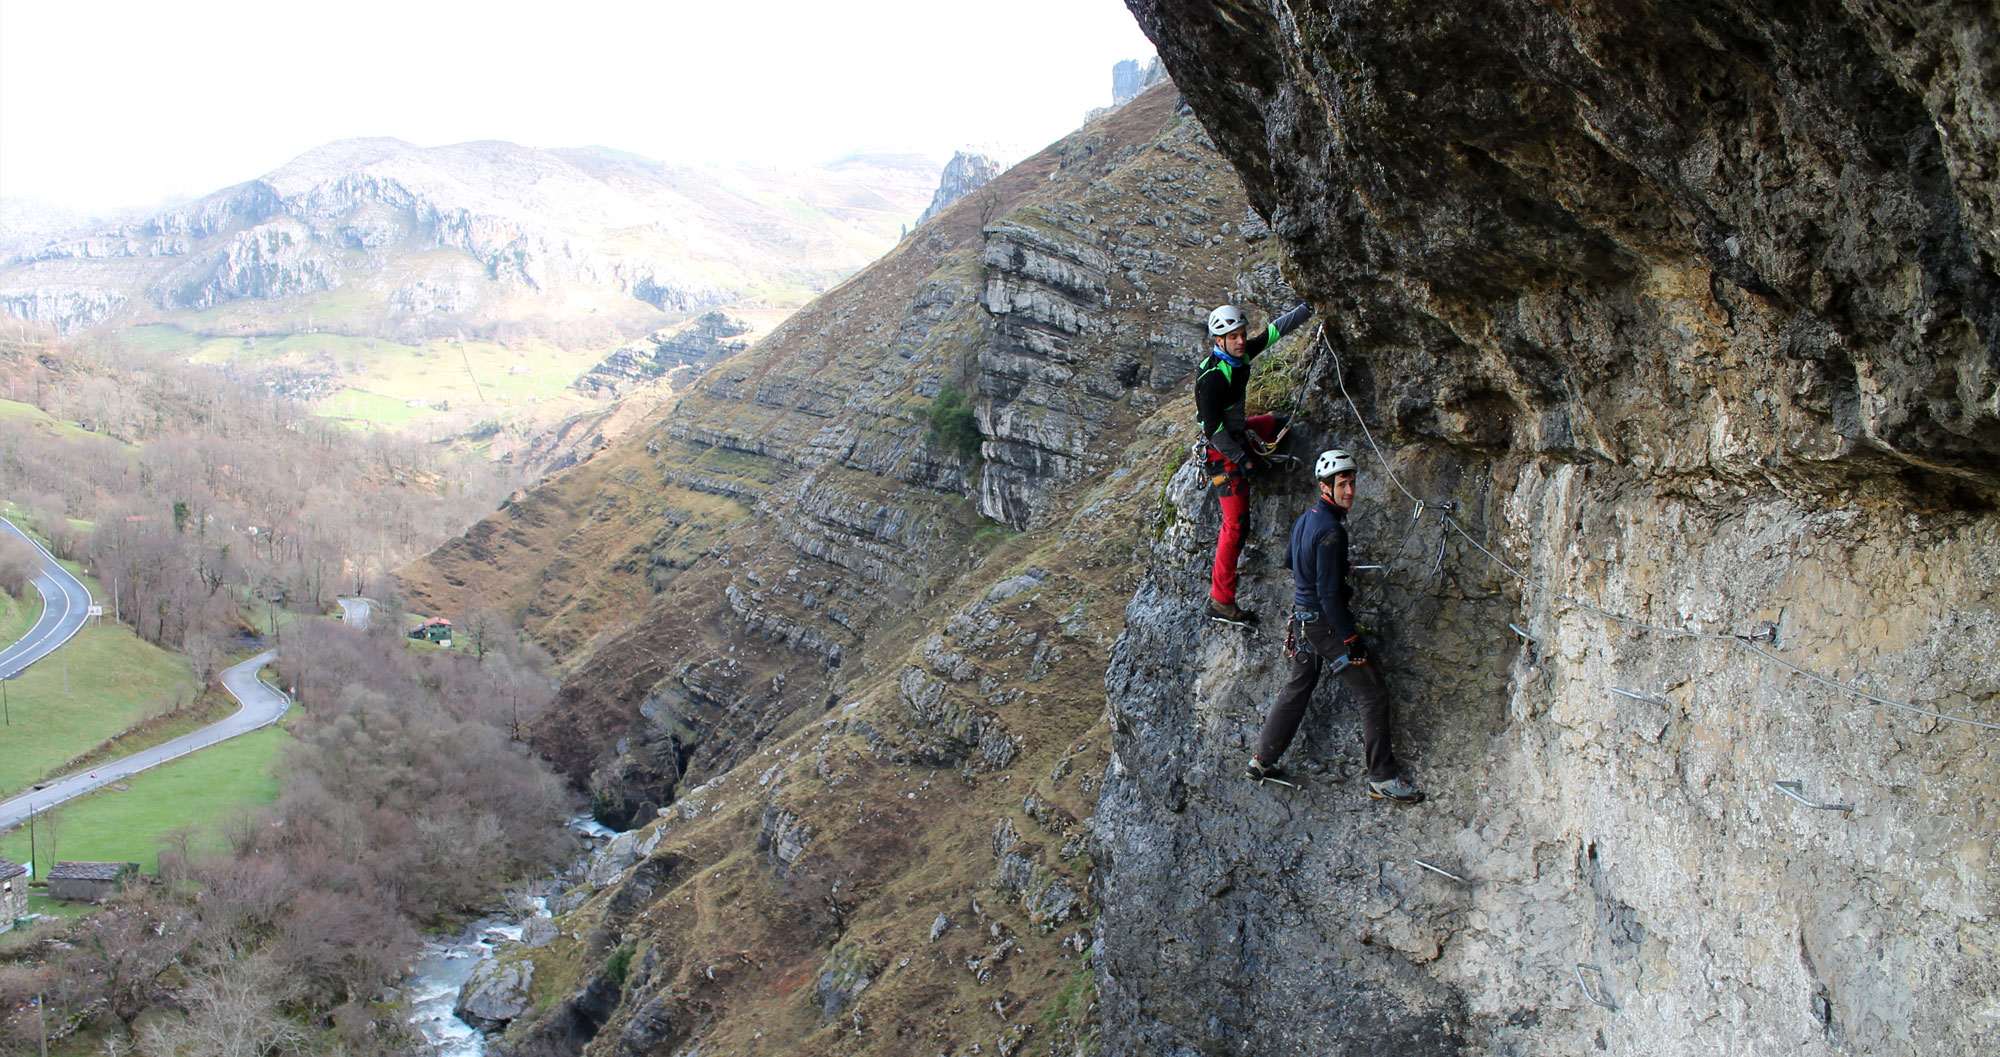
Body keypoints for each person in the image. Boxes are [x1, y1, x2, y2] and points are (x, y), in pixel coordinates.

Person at [1248, 449, 1423, 803]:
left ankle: (1261, 761)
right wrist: (1352, 641)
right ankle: (1382, 778)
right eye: (1343, 484)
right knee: (1372, 694)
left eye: (1352, 483)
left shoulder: (1306, 520)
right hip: (1325, 626)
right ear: (1326, 487)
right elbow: (1329, 597)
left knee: (1296, 690)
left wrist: (1329, 569)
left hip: (1302, 622)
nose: (1350, 491)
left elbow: (1289, 561)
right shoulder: (1331, 532)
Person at [1195, 300, 1313, 625]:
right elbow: (1213, 430)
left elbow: (1275, 331)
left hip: (1239, 434)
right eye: (1233, 337)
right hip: (1222, 453)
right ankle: (1221, 601)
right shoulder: (1213, 378)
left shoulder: (1241, 356)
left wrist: (1308, 308)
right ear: (1219, 341)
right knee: (1235, 526)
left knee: (1280, 424)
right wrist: (1244, 461)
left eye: (1242, 334)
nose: (1241, 340)